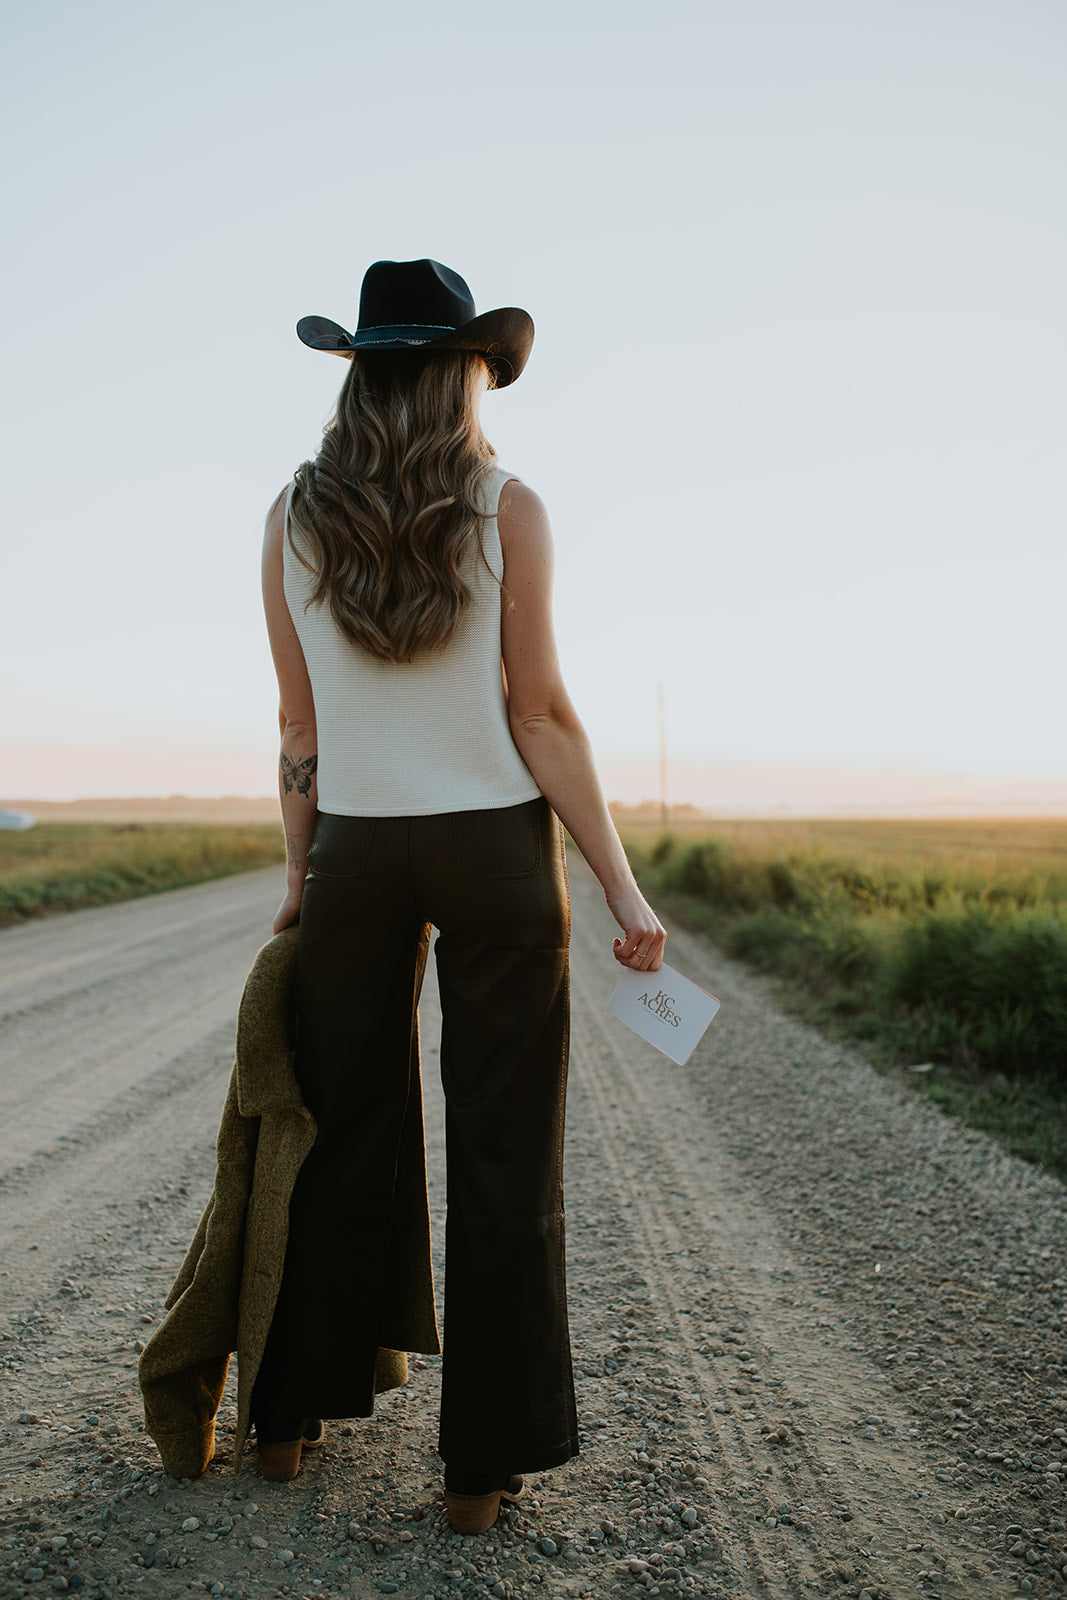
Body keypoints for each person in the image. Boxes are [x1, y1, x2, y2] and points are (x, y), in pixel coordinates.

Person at [259, 258, 666, 1531]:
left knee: (340, 1131)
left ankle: (286, 1421)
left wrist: (298, 880)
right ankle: (478, 1472)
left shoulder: (289, 513)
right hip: (493, 848)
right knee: (504, 1154)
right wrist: (620, 884)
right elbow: (536, 714)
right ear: (459, 370)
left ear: (361, 373)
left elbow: (297, 724)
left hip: (358, 856)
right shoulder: (507, 507)